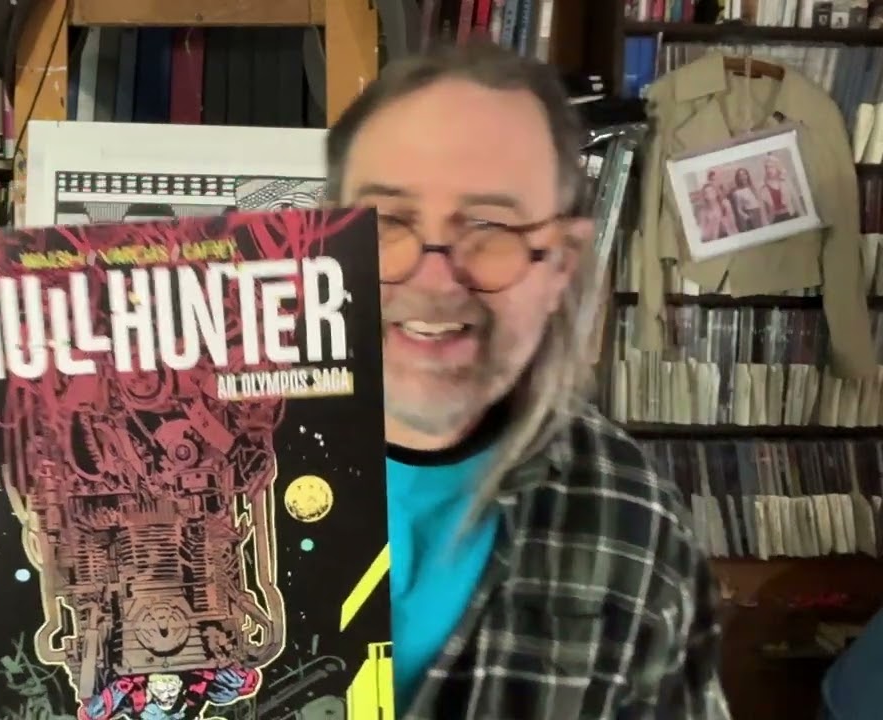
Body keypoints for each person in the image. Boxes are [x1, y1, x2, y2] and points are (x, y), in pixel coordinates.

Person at [325, 42, 729, 718]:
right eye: (387, 220)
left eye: (490, 228)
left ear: (562, 263)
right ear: (322, 235)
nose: (434, 280)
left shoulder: (637, 519)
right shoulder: (172, 465)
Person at [760, 153, 802, 222]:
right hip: (775, 219)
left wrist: (802, 216)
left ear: (777, 168)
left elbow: (796, 201)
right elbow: (763, 212)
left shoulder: (786, 182)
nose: (769, 170)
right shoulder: (763, 188)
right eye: (767, 167)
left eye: (771, 167)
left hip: (791, 215)